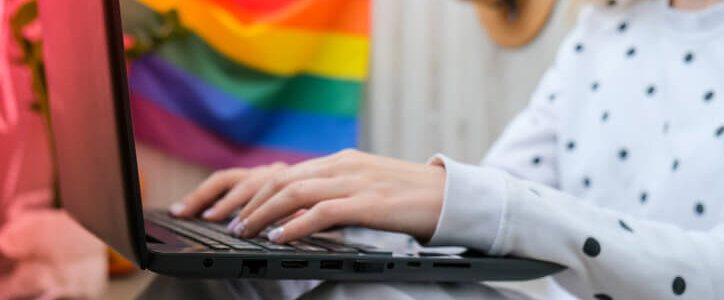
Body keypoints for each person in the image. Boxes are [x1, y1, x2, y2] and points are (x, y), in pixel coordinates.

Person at [147, 0, 724, 299]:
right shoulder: (606, 27)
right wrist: (320, 210)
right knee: (225, 276)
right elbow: (484, 214)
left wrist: (472, 197)